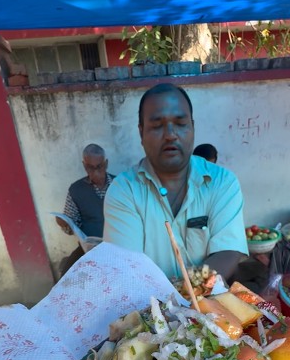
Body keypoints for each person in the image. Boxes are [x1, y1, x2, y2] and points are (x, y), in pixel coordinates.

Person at [103, 83, 256, 287]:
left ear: (192, 127)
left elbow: (227, 252)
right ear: (141, 133)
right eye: (157, 126)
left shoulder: (222, 182)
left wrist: (182, 289)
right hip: (148, 311)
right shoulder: (124, 191)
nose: (170, 134)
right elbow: (126, 269)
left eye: (180, 123)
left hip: (210, 309)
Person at [54, 144, 115, 277]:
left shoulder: (120, 184)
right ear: (84, 165)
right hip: (89, 250)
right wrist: (64, 224)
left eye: (99, 166)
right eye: (90, 167)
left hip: (119, 246)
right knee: (67, 275)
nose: (95, 172)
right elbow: (72, 227)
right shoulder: (76, 190)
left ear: (106, 164)